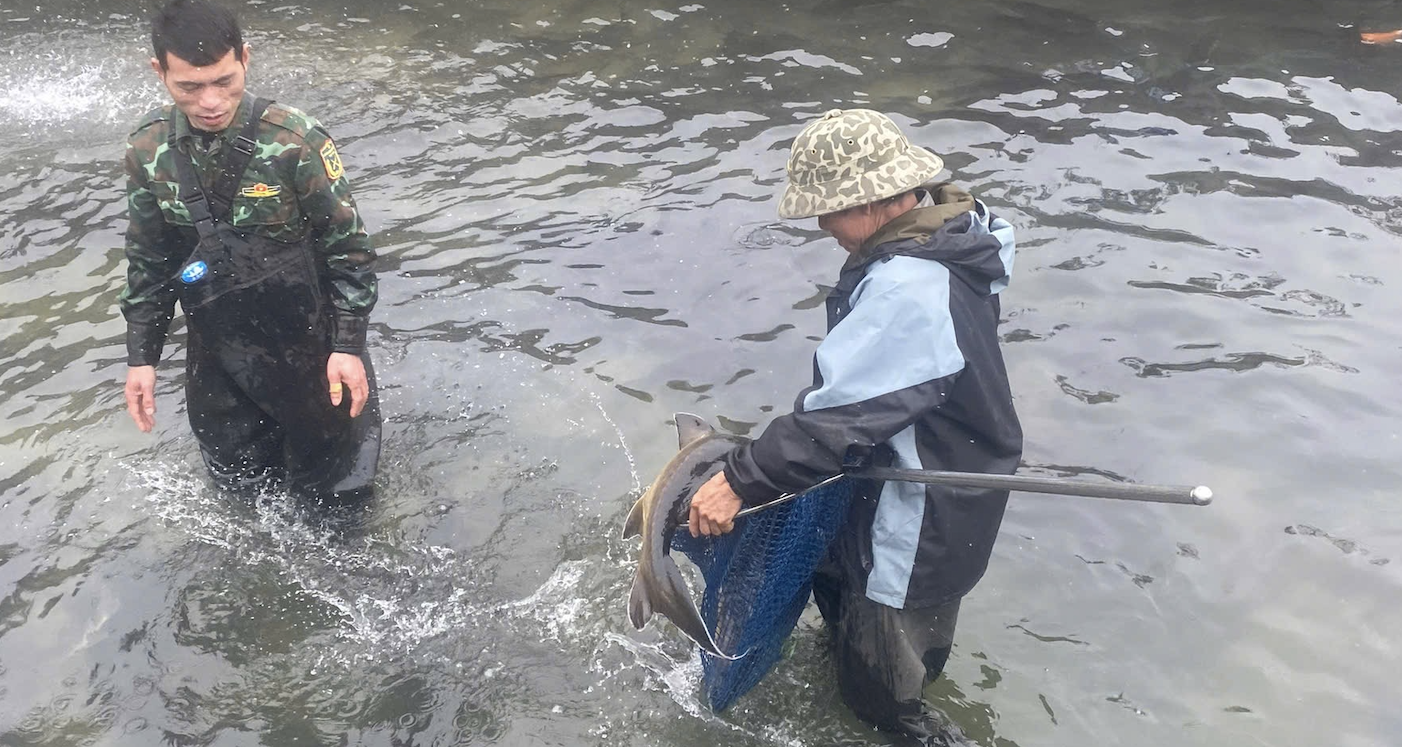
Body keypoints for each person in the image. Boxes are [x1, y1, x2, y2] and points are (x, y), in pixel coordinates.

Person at [687, 109, 1023, 745]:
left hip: (919, 516)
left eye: (829, 209)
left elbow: (838, 420)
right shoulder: (955, 233)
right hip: (916, 484)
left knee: (881, 701)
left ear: (875, 200)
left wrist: (741, 481)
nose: (821, 225)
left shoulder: (910, 287)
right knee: (850, 636)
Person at [119, 0, 381, 500]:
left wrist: (347, 347)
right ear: (160, 72)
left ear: (245, 58)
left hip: (311, 338)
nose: (210, 101)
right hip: (217, 343)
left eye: (224, 81)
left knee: (339, 491)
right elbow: (150, 258)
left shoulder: (294, 140)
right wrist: (142, 357)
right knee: (238, 491)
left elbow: (349, 251)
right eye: (189, 88)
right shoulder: (147, 150)